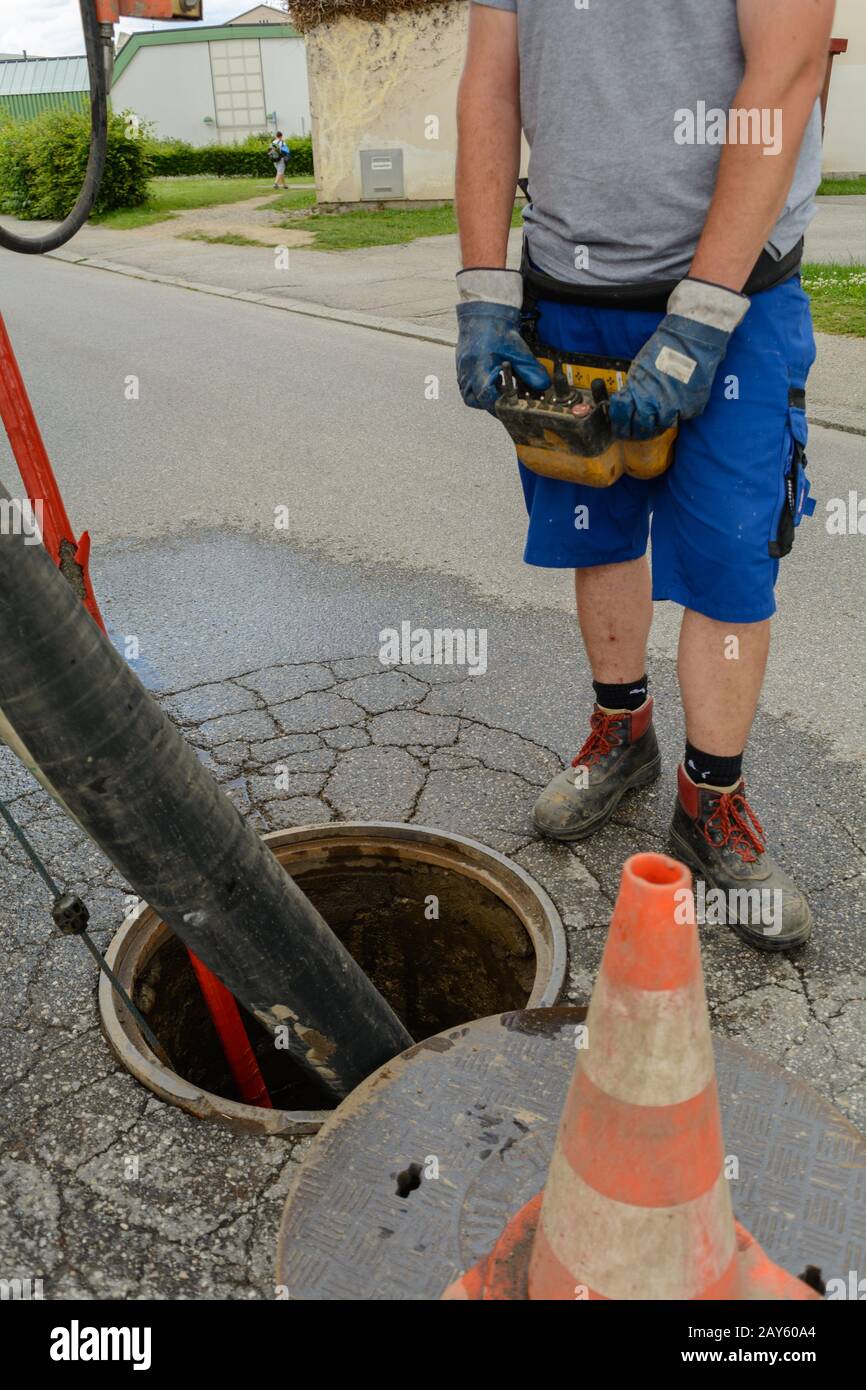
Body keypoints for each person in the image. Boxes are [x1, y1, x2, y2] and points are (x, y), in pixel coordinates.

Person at [455, 0, 835, 951]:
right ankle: (622, 738)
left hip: (735, 294)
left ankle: (712, 804)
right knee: (599, 528)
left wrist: (703, 312)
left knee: (732, 562)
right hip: (568, 295)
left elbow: (783, 76)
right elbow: (490, 88)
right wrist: (483, 288)